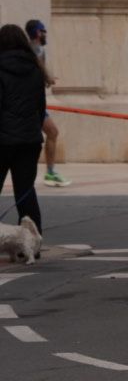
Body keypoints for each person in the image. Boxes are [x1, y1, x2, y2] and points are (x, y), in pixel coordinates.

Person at [0, 24, 47, 232]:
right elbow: (40, 106)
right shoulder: (36, 68)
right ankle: (33, 240)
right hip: (30, 140)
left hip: (2, 140)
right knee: (25, 191)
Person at [25, 21, 67, 188]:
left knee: (51, 132)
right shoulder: (33, 49)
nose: (45, 34)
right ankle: (49, 172)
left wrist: (47, 79)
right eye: (43, 31)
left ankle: (50, 171)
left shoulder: (39, 49)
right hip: (31, 104)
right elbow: (39, 66)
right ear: (37, 32)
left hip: (35, 103)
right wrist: (48, 77)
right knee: (51, 132)